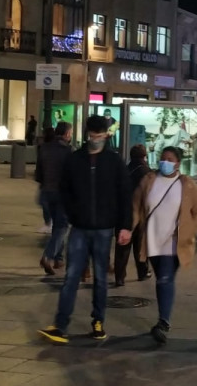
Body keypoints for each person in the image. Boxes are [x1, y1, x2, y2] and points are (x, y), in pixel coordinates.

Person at [39, 115, 132, 344]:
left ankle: (98, 322)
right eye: (92, 136)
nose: (95, 140)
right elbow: (65, 190)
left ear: (106, 135)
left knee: (100, 278)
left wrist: (125, 227)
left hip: (103, 228)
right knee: (71, 277)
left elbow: (124, 196)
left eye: (99, 136)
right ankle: (60, 325)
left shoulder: (114, 161)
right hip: (80, 227)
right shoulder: (75, 160)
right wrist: (72, 214)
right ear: (87, 134)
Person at [128, 146, 197, 344]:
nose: (165, 162)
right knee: (161, 278)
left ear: (178, 163)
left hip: (175, 243)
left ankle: (163, 322)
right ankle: (163, 318)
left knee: (165, 278)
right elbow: (136, 206)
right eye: (162, 158)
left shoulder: (187, 185)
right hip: (152, 240)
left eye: (169, 159)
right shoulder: (149, 180)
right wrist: (129, 228)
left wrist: (189, 230)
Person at [36, 122, 73, 276]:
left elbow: (38, 173)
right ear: (66, 134)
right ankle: (48, 256)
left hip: (46, 192)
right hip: (62, 194)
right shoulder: (68, 151)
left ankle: (58, 258)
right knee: (62, 227)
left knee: (57, 226)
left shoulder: (44, 148)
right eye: (70, 133)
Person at [115, 144, 152, 285]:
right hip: (140, 214)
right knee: (140, 245)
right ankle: (142, 272)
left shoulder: (124, 170)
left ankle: (119, 277)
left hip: (123, 213)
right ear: (144, 156)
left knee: (122, 247)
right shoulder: (147, 172)